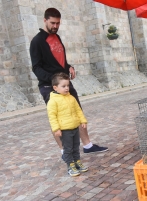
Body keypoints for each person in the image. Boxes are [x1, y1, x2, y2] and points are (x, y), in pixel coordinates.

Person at [30, 8, 108, 156]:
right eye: (52, 23)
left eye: (58, 23)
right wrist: (54, 82)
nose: (55, 26)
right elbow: (36, 68)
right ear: (45, 20)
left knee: (77, 113)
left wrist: (69, 66)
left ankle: (88, 146)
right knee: (58, 120)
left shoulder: (57, 37)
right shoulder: (37, 41)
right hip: (50, 87)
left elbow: (60, 62)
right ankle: (65, 151)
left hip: (65, 84)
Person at [47, 73, 88, 176]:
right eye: (63, 86)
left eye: (68, 86)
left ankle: (77, 162)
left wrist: (83, 121)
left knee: (76, 146)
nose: (66, 88)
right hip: (65, 130)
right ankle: (70, 165)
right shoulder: (53, 101)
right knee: (68, 148)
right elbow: (52, 116)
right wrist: (56, 129)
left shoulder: (71, 98)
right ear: (55, 88)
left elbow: (78, 110)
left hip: (74, 127)